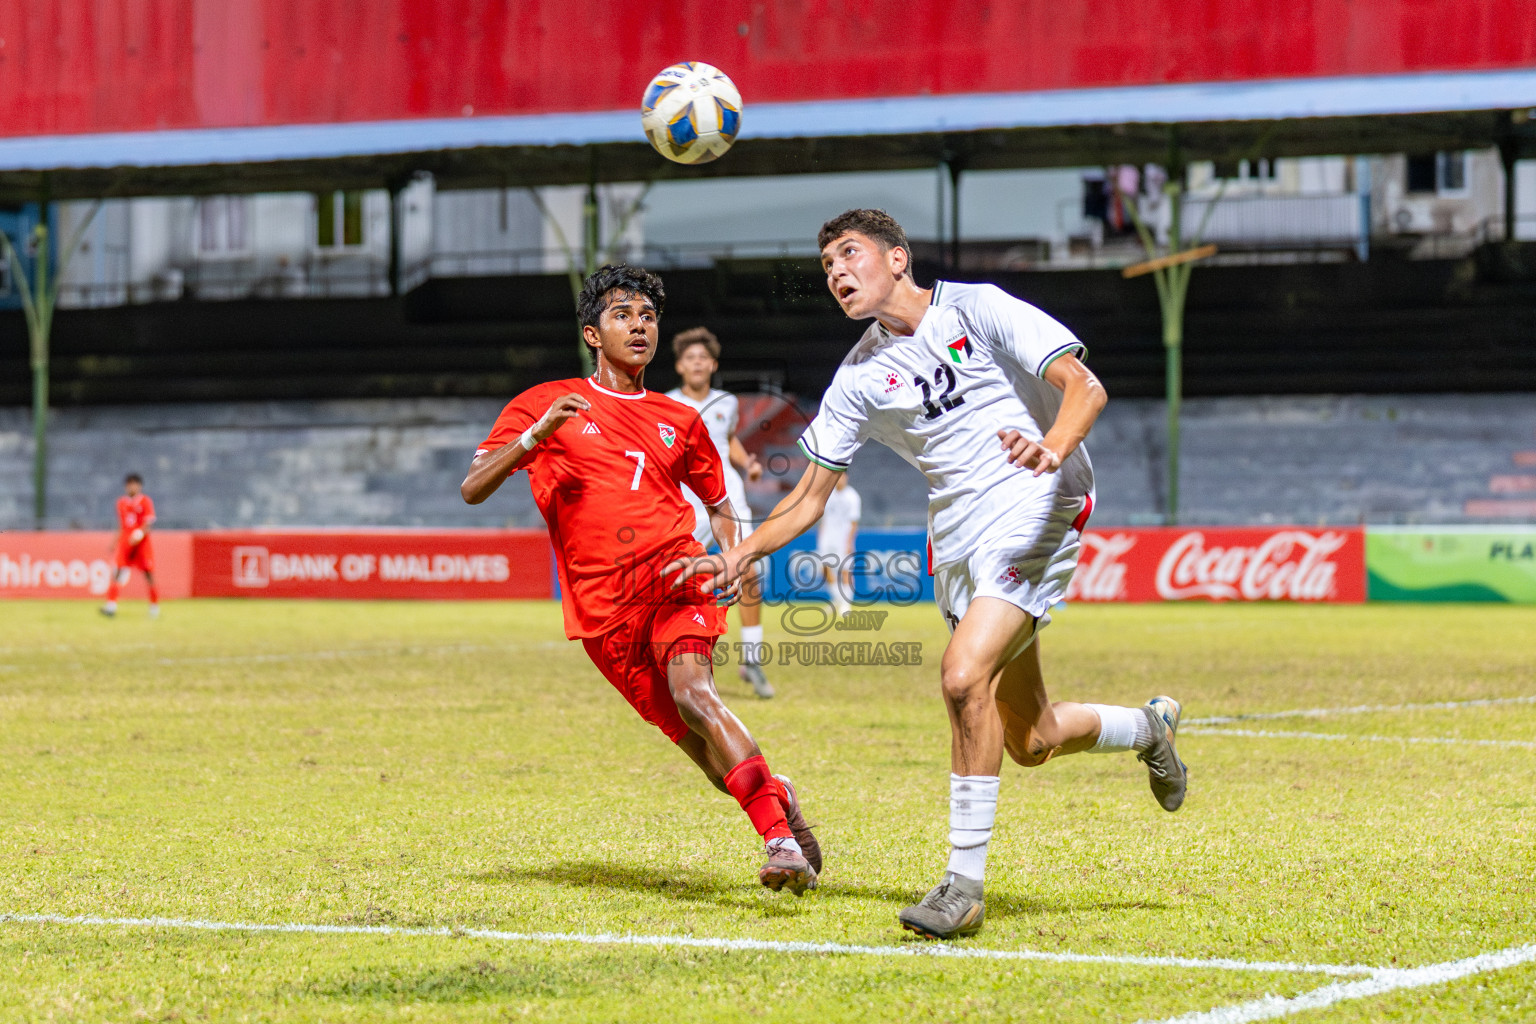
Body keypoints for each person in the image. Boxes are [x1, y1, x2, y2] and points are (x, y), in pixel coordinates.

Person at [671, 210, 1187, 938]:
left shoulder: (978, 307)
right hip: (958, 535)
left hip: (1040, 498)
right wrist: (740, 552)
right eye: (826, 268)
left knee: (959, 674)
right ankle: (1148, 730)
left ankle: (962, 886)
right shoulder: (856, 377)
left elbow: (1084, 386)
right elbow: (809, 497)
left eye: (849, 256)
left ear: (898, 259)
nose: (837, 274)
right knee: (1030, 737)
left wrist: (1050, 445)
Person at [461, 264, 820, 895]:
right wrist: (535, 438)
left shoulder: (678, 421)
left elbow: (718, 501)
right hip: (602, 616)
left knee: (694, 694)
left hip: (676, 580)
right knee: (703, 754)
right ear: (592, 333)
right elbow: (473, 488)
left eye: (649, 316)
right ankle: (775, 793)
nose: (639, 326)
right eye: (623, 313)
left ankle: (779, 841)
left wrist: (731, 559)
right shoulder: (544, 404)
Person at [665, 327, 774, 699]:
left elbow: (728, 442)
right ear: (680, 366)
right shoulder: (665, 404)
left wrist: (749, 464)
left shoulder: (726, 402)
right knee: (677, 576)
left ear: (712, 364)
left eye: (703, 357)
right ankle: (674, 653)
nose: (697, 363)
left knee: (748, 569)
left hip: (729, 497)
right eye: (689, 357)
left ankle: (753, 660)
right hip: (687, 500)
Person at [101, 473, 159, 619]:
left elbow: (148, 523)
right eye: (128, 484)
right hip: (126, 543)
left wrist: (139, 533)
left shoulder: (145, 501)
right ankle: (111, 607)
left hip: (142, 544)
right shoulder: (121, 503)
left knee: (148, 574)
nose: (131, 487)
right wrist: (114, 542)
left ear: (139, 486)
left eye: (134, 484)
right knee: (118, 572)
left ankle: (154, 607)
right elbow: (121, 525)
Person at [816, 473, 861, 618]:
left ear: (846, 477)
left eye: (841, 477)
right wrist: (821, 538)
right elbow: (824, 519)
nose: (839, 480)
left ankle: (846, 605)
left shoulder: (852, 496)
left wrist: (849, 542)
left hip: (843, 537)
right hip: (828, 537)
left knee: (845, 570)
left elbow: (854, 522)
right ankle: (837, 600)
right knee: (827, 570)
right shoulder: (828, 494)